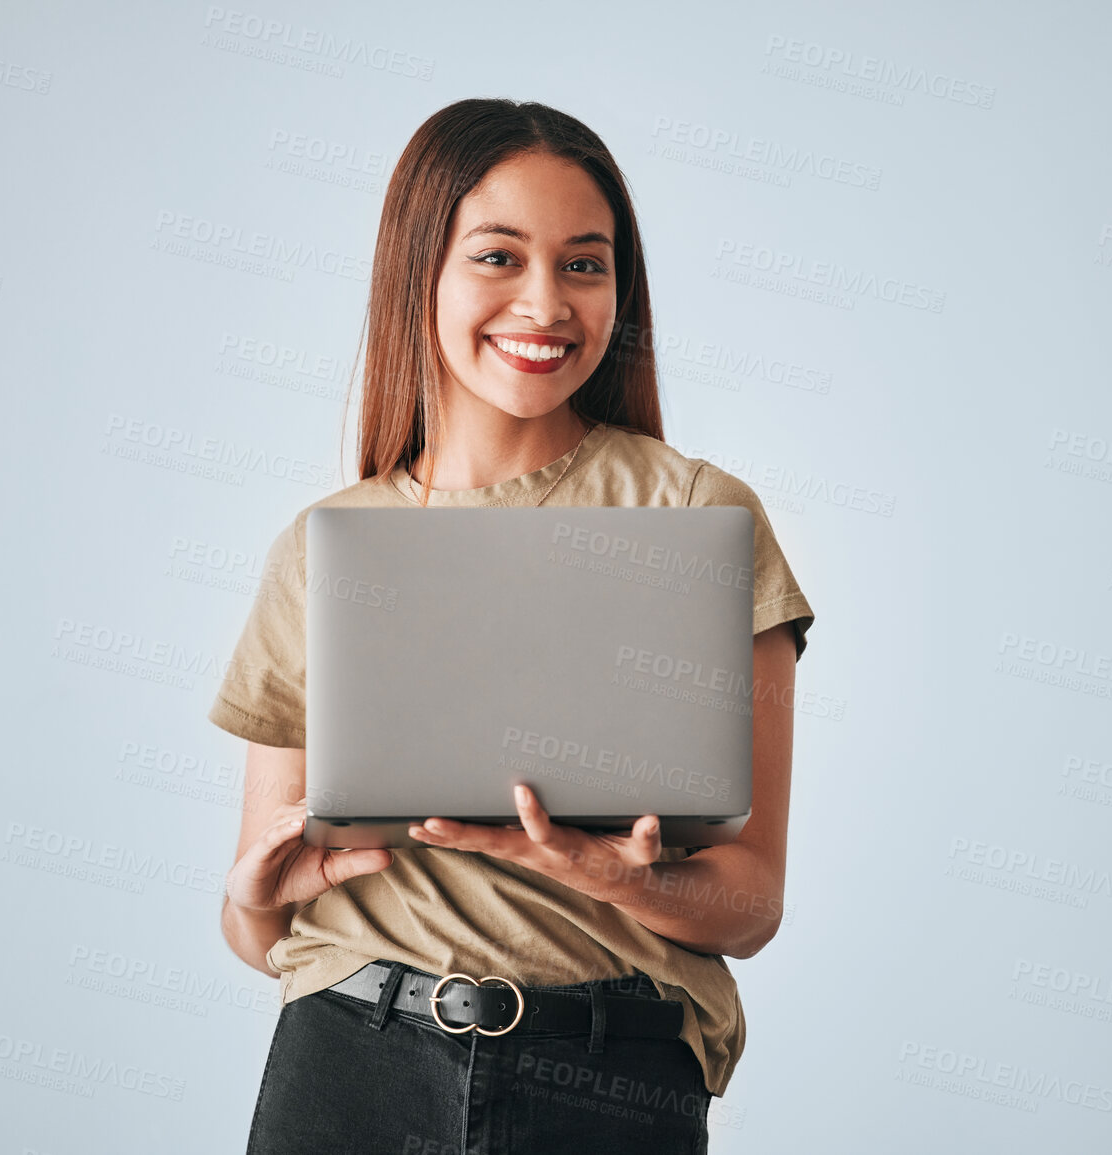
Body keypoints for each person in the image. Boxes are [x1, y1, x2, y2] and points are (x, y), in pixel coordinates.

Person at [212, 97, 815, 1154]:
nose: (546, 302)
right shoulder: (325, 545)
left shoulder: (693, 517)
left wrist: (623, 880)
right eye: (499, 257)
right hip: (350, 1059)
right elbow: (256, 928)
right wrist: (261, 896)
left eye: (586, 265)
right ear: (420, 274)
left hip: (607, 1074)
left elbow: (751, 903)